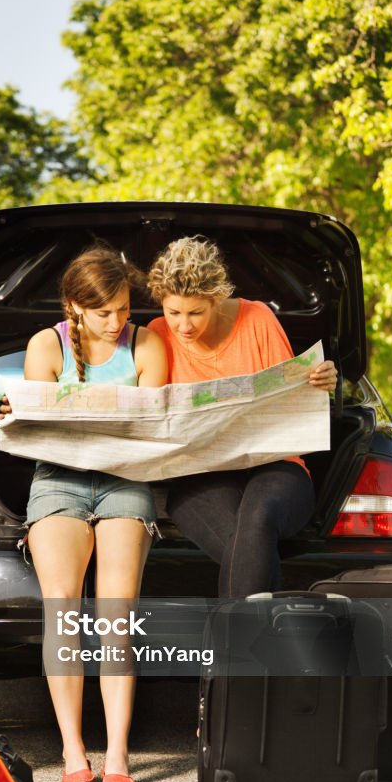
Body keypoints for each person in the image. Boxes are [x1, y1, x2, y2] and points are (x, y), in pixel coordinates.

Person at [16, 247, 167, 782]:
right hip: (59, 479)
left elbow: (153, 426)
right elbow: (43, 428)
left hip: (126, 479)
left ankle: (119, 755)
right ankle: (74, 751)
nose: (116, 322)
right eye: (103, 313)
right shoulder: (45, 345)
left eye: (124, 309)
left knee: (116, 618)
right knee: (63, 612)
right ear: (74, 307)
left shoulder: (148, 342)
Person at [146, 235, 338, 598]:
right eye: (173, 313)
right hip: (199, 475)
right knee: (249, 545)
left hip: (276, 465)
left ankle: (234, 648)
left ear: (216, 299)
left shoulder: (257, 318)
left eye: (195, 313)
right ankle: (255, 644)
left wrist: (320, 380)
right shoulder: (156, 335)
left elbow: (292, 395)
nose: (183, 326)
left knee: (257, 518)